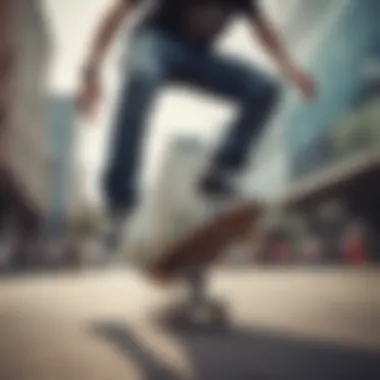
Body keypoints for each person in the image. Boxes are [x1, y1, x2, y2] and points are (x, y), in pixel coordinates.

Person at [77, 0, 317, 252]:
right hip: (153, 44)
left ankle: (221, 172)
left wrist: (292, 69)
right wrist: (92, 70)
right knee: (142, 79)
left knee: (264, 89)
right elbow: (117, 11)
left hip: (197, 58)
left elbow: (265, 32)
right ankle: (119, 205)